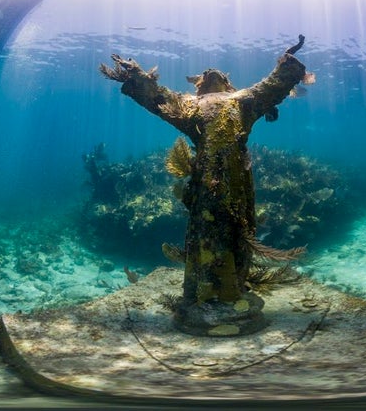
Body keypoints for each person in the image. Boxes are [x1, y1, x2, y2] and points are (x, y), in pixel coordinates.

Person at [99, 35, 308, 337]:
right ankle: (203, 297)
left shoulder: (244, 99)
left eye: (219, 74)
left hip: (235, 178)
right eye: (206, 74)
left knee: (235, 229)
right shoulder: (190, 104)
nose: (211, 72)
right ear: (197, 84)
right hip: (210, 179)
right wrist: (136, 74)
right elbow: (157, 95)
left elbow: (274, 83)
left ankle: (230, 293)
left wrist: (288, 61)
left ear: (227, 84)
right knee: (208, 232)